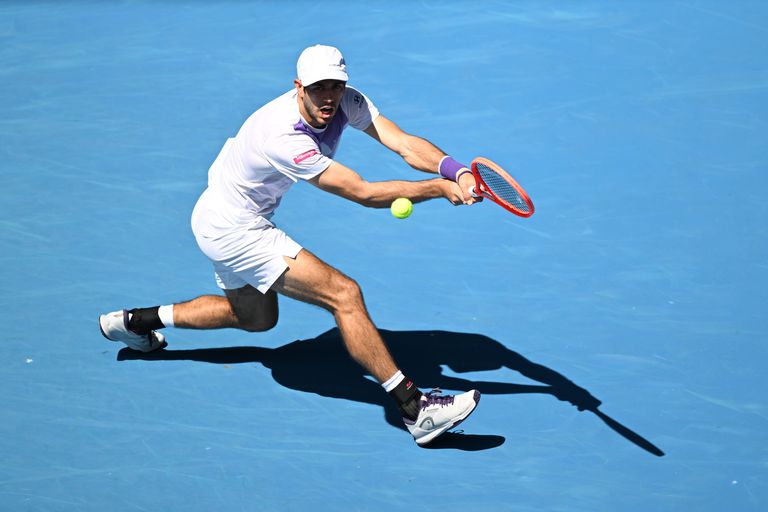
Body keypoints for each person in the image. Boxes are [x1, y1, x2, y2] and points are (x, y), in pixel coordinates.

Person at [99, 44, 481, 446]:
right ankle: (415, 409)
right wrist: (438, 189)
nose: (329, 97)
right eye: (318, 88)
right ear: (298, 87)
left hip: (219, 214)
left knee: (255, 319)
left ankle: (135, 322)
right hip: (234, 227)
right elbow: (363, 192)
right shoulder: (284, 137)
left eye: (335, 86)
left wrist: (456, 171)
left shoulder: (347, 101)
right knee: (344, 295)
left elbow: (402, 142)